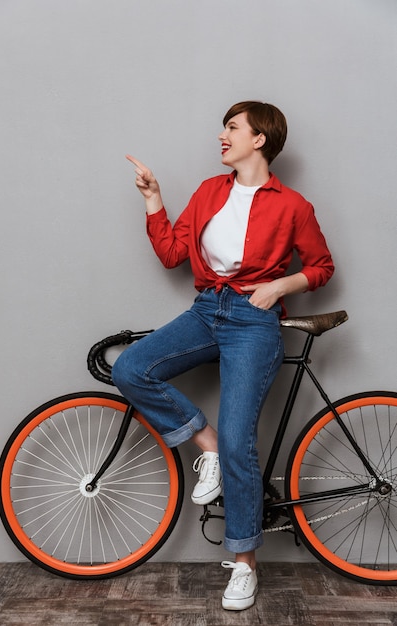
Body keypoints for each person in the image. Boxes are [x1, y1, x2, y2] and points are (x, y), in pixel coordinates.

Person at [111, 101, 334, 611]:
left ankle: (244, 566)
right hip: (207, 310)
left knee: (240, 440)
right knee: (131, 368)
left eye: (232, 127)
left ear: (259, 139)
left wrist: (278, 286)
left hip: (255, 322)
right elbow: (172, 253)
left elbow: (321, 267)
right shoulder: (211, 191)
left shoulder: (292, 205)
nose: (221, 136)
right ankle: (204, 444)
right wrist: (154, 198)